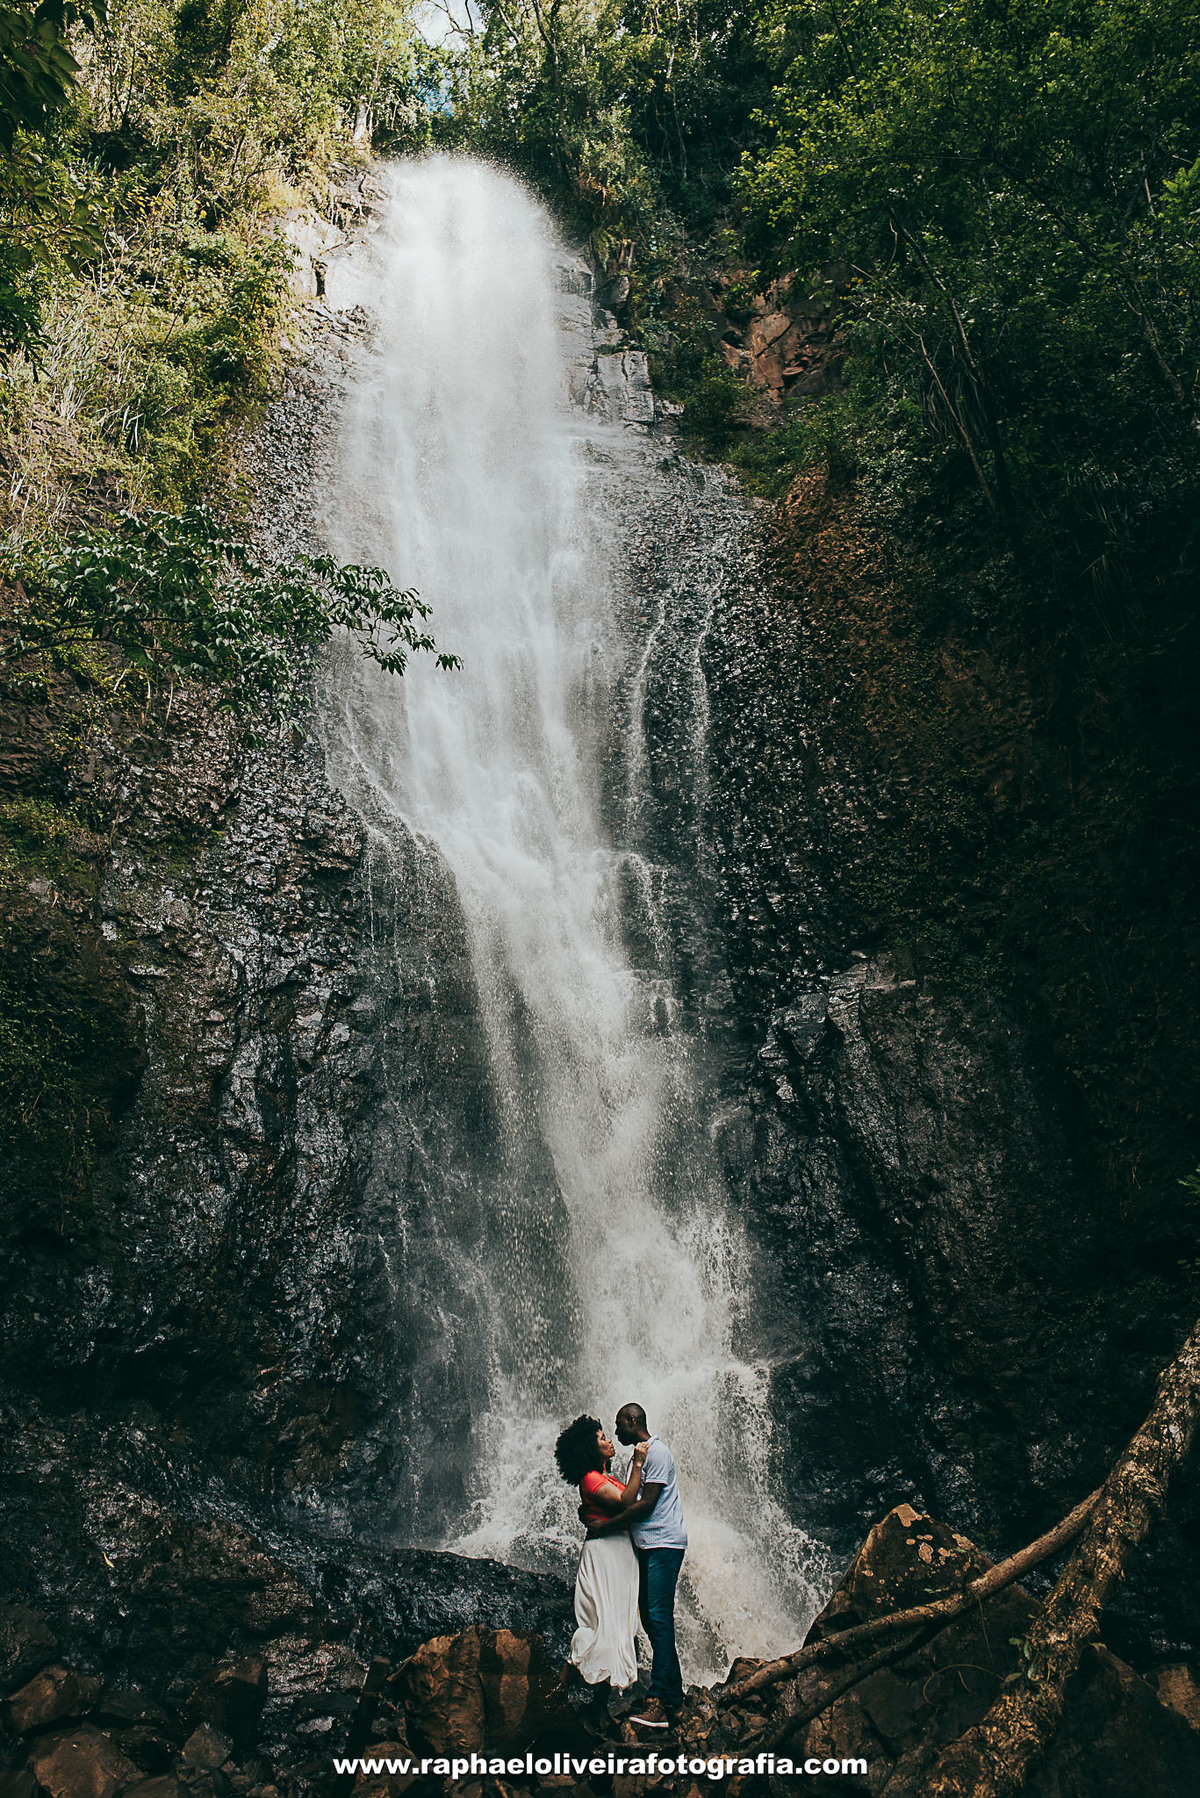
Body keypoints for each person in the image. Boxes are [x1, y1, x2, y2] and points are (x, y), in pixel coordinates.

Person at [585, 1402, 687, 1729]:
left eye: (618, 1425)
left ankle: (658, 1700)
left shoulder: (656, 1453)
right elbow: (626, 1500)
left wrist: (606, 1528)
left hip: (664, 1544)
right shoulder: (638, 1457)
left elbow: (645, 1505)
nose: (615, 1432)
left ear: (633, 1421)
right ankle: (675, 1700)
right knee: (652, 1619)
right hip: (648, 1546)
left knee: (658, 1618)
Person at [554, 1413, 647, 1693]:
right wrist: (639, 1463)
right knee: (598, 1624)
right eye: (602, 1438)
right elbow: (625, 1501)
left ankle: (599, 1705)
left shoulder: (605, 1477)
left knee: (616, 1625)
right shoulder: (591, 1479)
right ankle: (557, 1691)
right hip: (605, 1555)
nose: (608, 1440)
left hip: (620, 1553)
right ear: (591, 1449)